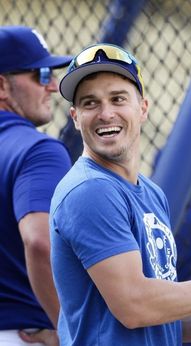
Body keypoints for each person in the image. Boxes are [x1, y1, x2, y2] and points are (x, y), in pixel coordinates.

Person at [49, 43, 191, 345]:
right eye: (90, 103)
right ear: (75, 117)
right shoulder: (90, 190)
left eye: (118, 99)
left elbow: (157, 313)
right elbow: (134, 306)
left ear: (143, 108)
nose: (105, 113)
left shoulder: (151, 193)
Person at [0, 26, 72, 345]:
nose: (53, 86)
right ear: (2, 85)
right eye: (41, 74)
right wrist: (74, 334)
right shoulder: (38, 150)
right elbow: (41, 244)